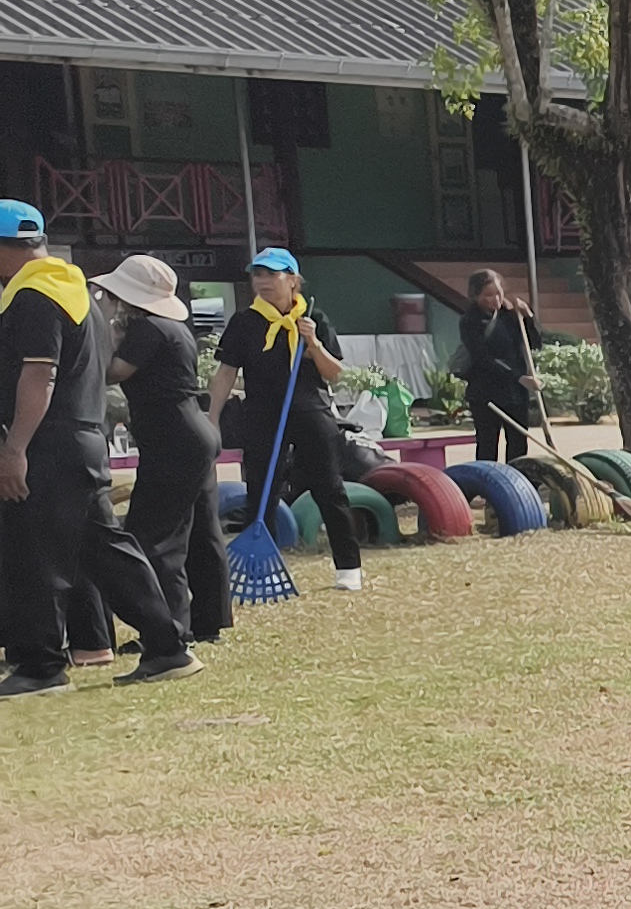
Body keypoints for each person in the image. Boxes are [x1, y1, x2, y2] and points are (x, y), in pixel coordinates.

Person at [0, 206, 197, 694]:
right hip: (83, 437)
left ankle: (41, 665)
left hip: (46, 439)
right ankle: (167, 646)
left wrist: (15, 448)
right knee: (104, 549)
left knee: (32, 552)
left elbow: (39, 373)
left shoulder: (33, 297)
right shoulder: (77, 292)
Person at [209, 247, 363, 591]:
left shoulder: (315, 319)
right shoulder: (244, 322)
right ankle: (260, 567)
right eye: (257, 274)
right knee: (261, 491)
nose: (262, 282)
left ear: (292, 281)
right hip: (262, 413)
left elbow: (334, 373)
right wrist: (213, 416)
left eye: (271, 275)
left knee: (329, 487)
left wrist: (313, 343)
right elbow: (226, 373)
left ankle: (348, 566)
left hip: (310, 411)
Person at [98, 254, 227, 648]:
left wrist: (100, 339)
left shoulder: (147, 328)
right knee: (193, 533)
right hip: (190, 433)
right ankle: (200, 622)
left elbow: (113, 373)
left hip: (173, 439)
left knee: (153, 538)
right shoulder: (172, 326)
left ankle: (168, 630)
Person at [460, 271, 540, 462]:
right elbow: (483, 359)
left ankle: (517, 486)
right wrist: (518, 376)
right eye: (488, 294)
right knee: (488, 445)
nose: (495, 299)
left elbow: (535, 344)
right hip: (486, 394)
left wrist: (528, 317)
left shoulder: (511, 316)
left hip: (515, 394)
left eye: (498, 293)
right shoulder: (471, 321)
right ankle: (486, 487)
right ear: (475, 295)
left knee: (518, 444)